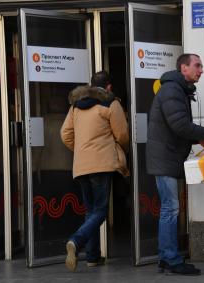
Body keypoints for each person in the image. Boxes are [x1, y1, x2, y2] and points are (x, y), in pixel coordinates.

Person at [146, 53, 204, 276]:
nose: (201, 70)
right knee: (170, 209)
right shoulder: (172, 90)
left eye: (201, 66)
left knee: (170, 208)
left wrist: (198, 138)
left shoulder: (177, 89)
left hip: (167, 157)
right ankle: (170, 258)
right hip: (164, 159)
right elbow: (179, 124)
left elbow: (177, 126)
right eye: (197, 65)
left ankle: (167, 257)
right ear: (183, 68)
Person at [60, 81, 129, 272]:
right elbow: (122, 134)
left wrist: (82, 151)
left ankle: (92, 256)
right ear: (108, 86)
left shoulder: (76, 106)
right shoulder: (110, 103)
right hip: (102, 164)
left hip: (81, 166)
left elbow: (65, 134)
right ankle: (76, 240)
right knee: (100, 211)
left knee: (90, 212)